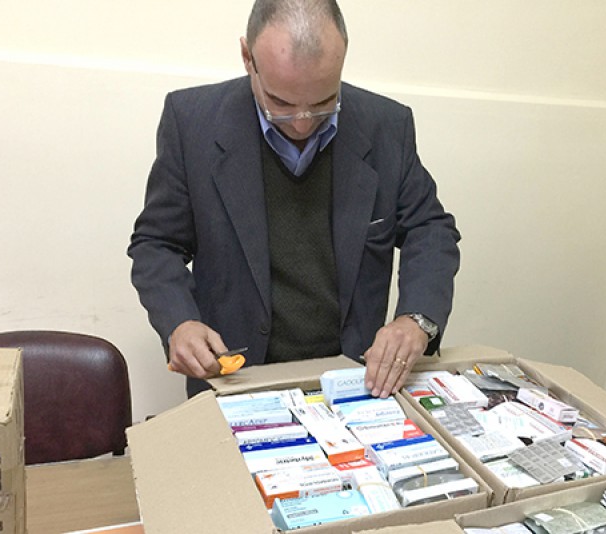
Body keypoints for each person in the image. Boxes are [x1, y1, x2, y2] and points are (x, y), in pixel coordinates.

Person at [128, 0, 460, 399]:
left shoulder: (386, 125)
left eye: (323, 103)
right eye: (281, 103)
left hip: (353, 380)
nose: (302, 123)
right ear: (247, 57)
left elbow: (430, 229)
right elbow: (157, 243)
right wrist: (179, 322)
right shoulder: (192, 122)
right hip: (236, 379)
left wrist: (416, 320)